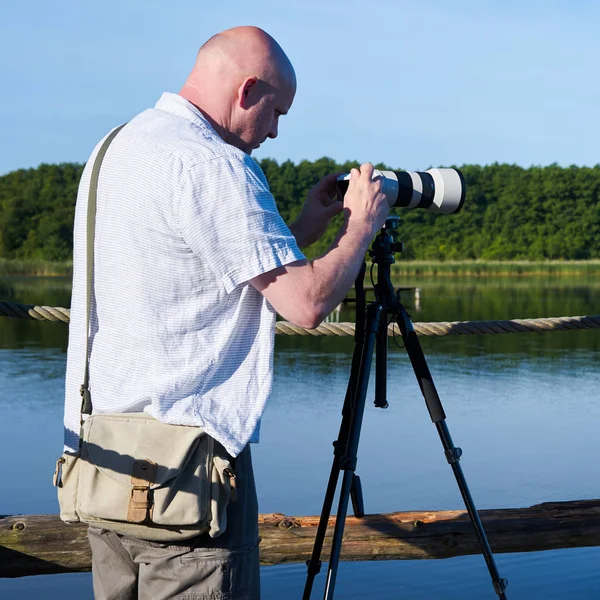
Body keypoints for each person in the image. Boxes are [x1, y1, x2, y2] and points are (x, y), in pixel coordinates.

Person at [64, 26, 389, 600]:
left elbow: (202, 272)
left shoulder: (117, 146)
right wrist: (360, 228)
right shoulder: (214, 164)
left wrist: (304, 230)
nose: (276, 129)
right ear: (246, 90)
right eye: (276, 110)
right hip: (190, 477)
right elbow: (308, 305)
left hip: (104, 467)